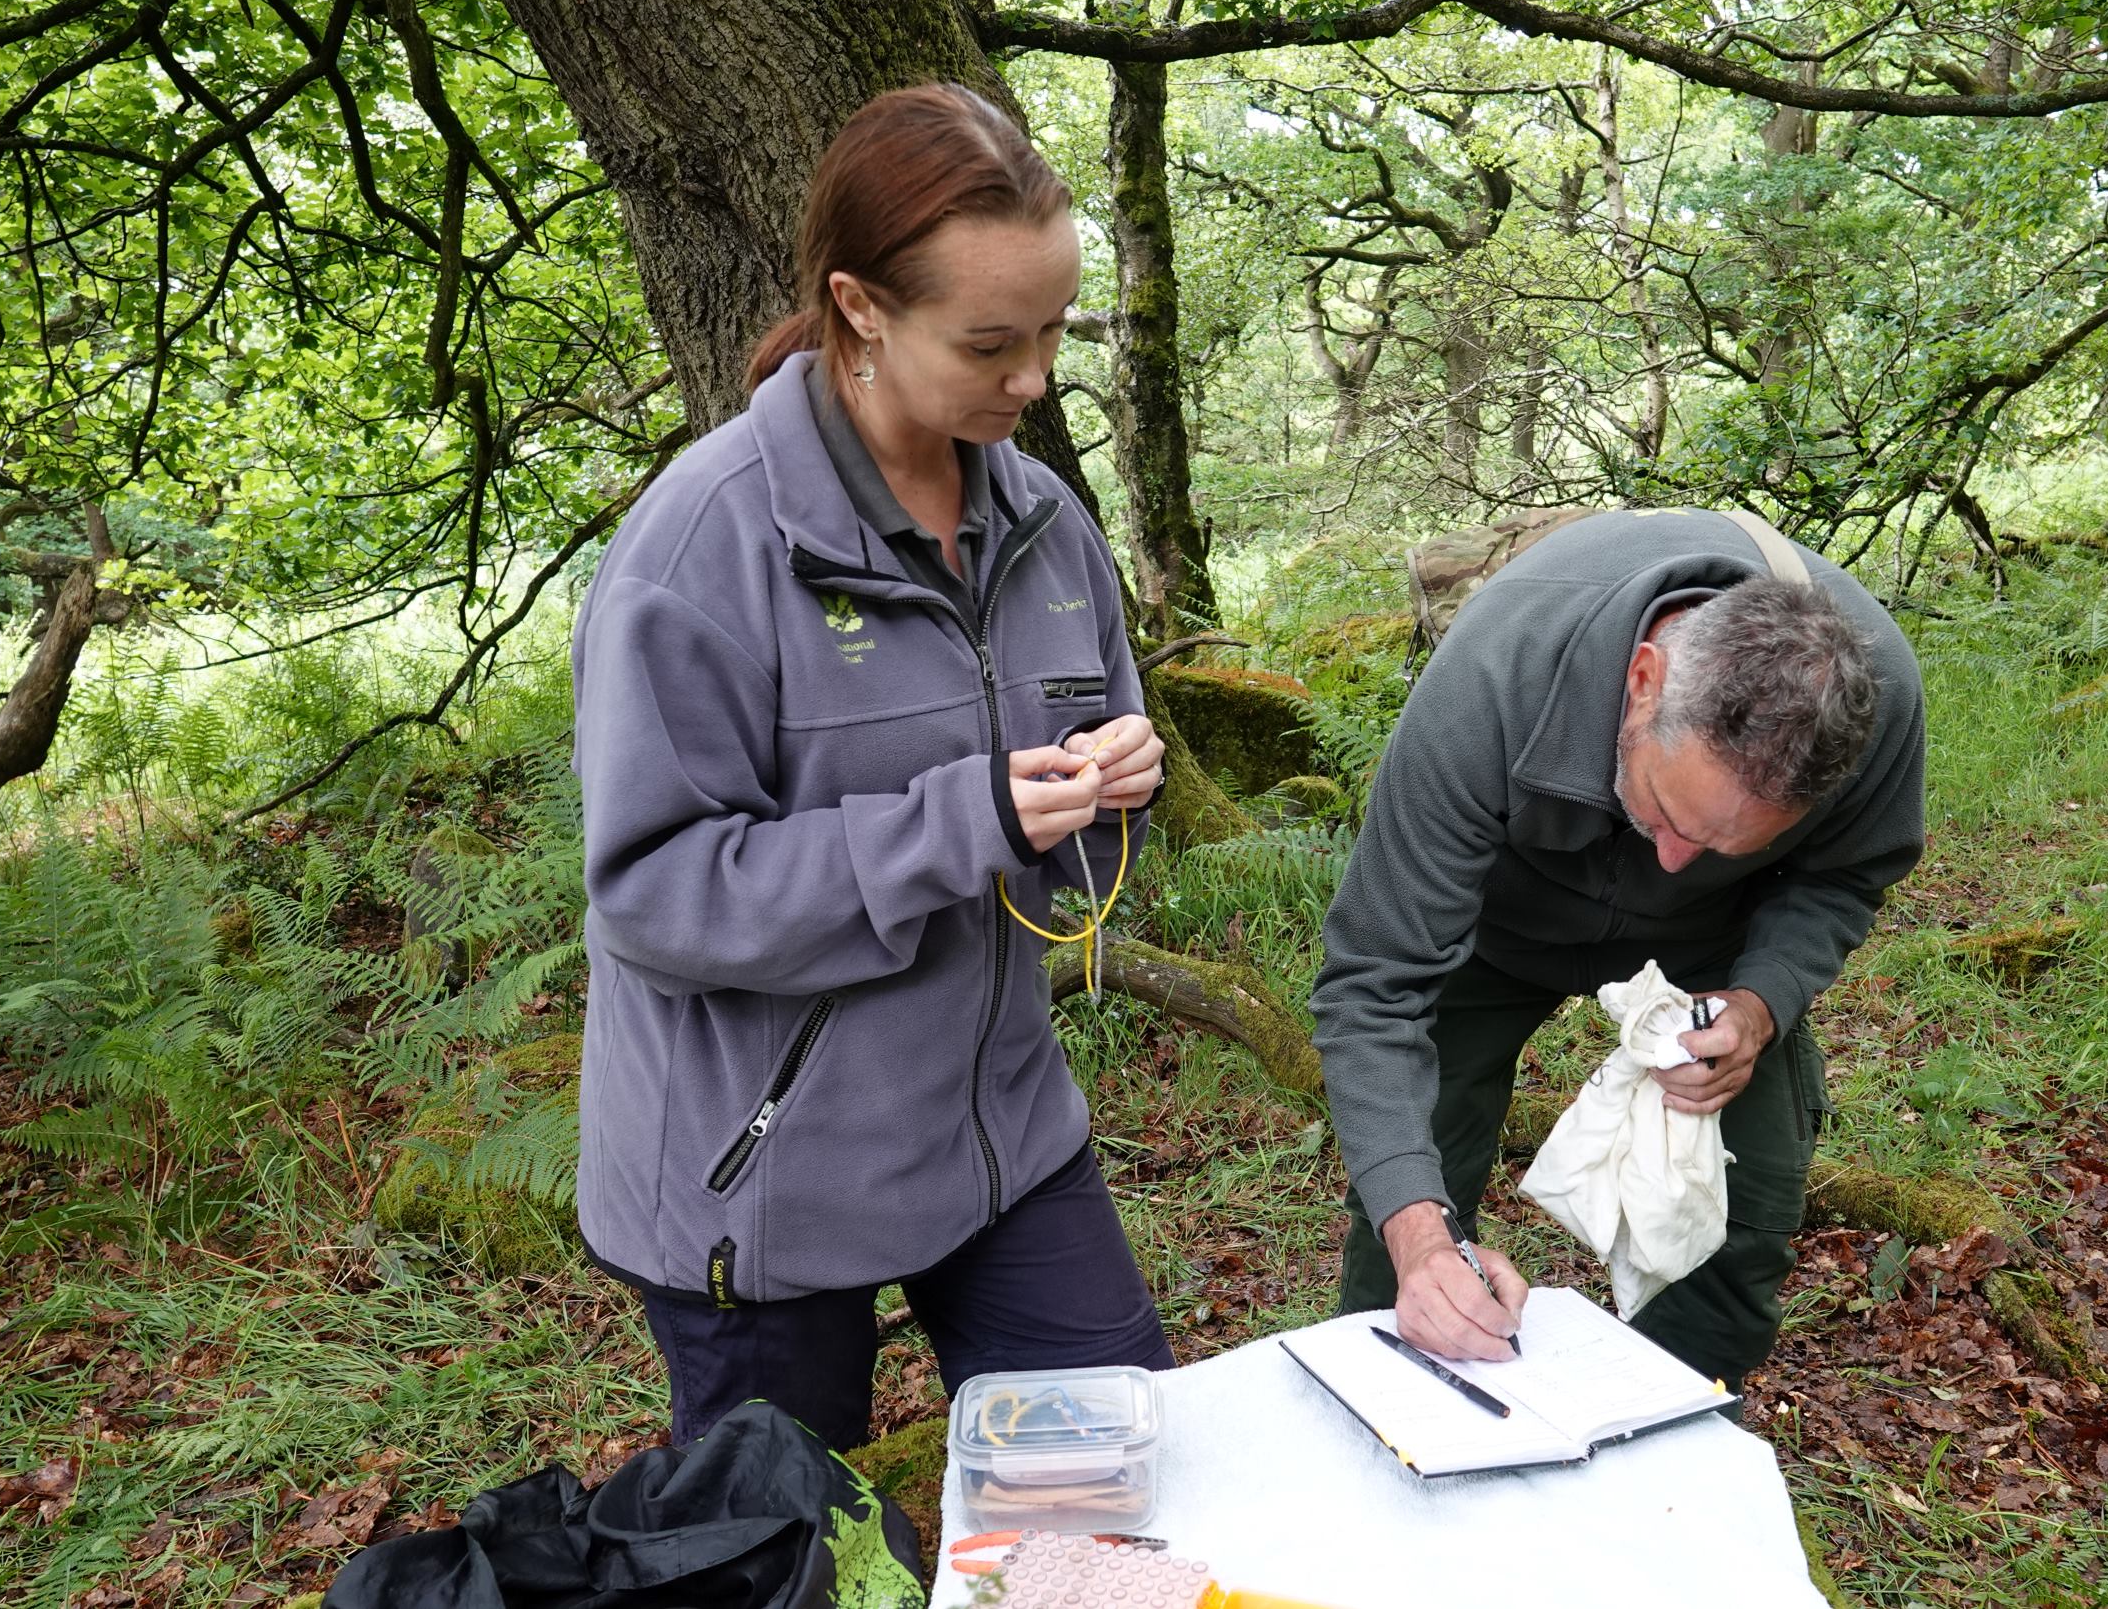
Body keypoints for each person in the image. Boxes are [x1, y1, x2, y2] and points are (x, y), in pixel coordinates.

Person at [569, 83, 1173, 1452]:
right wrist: (963, 819)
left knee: (1123, 1464)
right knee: (791, 1551)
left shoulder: (1043, 528)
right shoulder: (703, 552)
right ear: (860, 309)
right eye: (990, 344)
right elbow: (656, 894)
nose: (1033, 381)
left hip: (1000, 1133)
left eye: (1054, 334)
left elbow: (1060, 859)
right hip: (761, 1165)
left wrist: (1102, 791)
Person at [1314, 508, 1926, 1399]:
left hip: (1709, 943)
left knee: (1741, 1217)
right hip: (1494, 922)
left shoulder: (1876, 703)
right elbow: (1376, 986)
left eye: (1724, 840)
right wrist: (1418, 1232)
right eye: (1667, 812)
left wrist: (1760, 1001)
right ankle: (1392, 1408)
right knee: (1414, 1174)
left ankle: (1664, 1430)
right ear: (1644, 681)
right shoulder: (1494, 676)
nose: (1673, 858)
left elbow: (1845, 877)